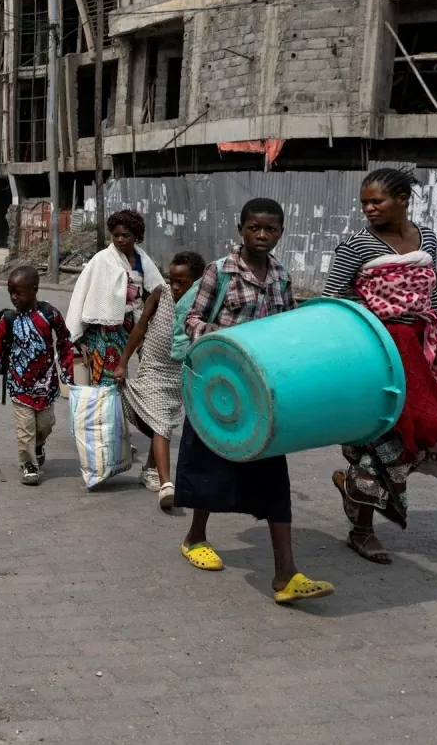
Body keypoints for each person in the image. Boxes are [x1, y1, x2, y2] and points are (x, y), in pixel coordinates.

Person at [175, 197, 333, 605]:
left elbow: (288, 322)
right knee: (210, 470)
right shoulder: (219, 271)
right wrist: (224, 343)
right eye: (254, 228)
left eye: (271, 229)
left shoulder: (280, 274)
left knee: (273, 480)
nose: (262, 235)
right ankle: (195, 537)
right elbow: (192, 318)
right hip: (219, 390)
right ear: (240, 228)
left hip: (262, 397)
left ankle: (286, 575)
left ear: (281, 231)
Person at [322, 168, 437, 565]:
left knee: (426, 431)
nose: (369, 208)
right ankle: (362, 531)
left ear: (402, 199)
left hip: (421, 348)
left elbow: (432, 295)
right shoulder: (356, 246)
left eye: (376, 201)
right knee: (380, 438)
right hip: (375, 351)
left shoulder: (426, 238)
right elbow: (332, 299)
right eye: (364, 202)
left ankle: (353, 490)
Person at [114, 251, 205, 509]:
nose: (175, 287)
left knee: (161, 424)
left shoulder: (201, 304)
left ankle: (151, 469)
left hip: (180, 373)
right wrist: (123, 363)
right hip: (153, 368)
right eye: (172, 280)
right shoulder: (160, 294)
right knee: (160, 422)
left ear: (197, 282)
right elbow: (140, 327)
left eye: (182, 282)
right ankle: (167, 485)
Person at [0, 265, 76, 486]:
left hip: (46, 385)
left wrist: (67, 370)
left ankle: (38, 446)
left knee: (46, 424)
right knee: (25, 429)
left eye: (18, 293)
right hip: (19, 386)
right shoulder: (8, 320)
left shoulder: (49, 314)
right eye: (10, 293)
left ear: (34, 289)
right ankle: (29, 465)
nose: (14, 298)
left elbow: (64, 340)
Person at [67, 209, 165, 389]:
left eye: (125, 235)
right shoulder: (102, 260)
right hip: (107, 328)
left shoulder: (142, 259)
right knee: (110, 377)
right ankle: (108, 414)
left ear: (136, 235)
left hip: (132, 323)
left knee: (149, 369)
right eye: (116, 235)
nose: (120, 239)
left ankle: (121, 412)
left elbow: (155, 288)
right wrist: (78, 337)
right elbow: (81, 294)